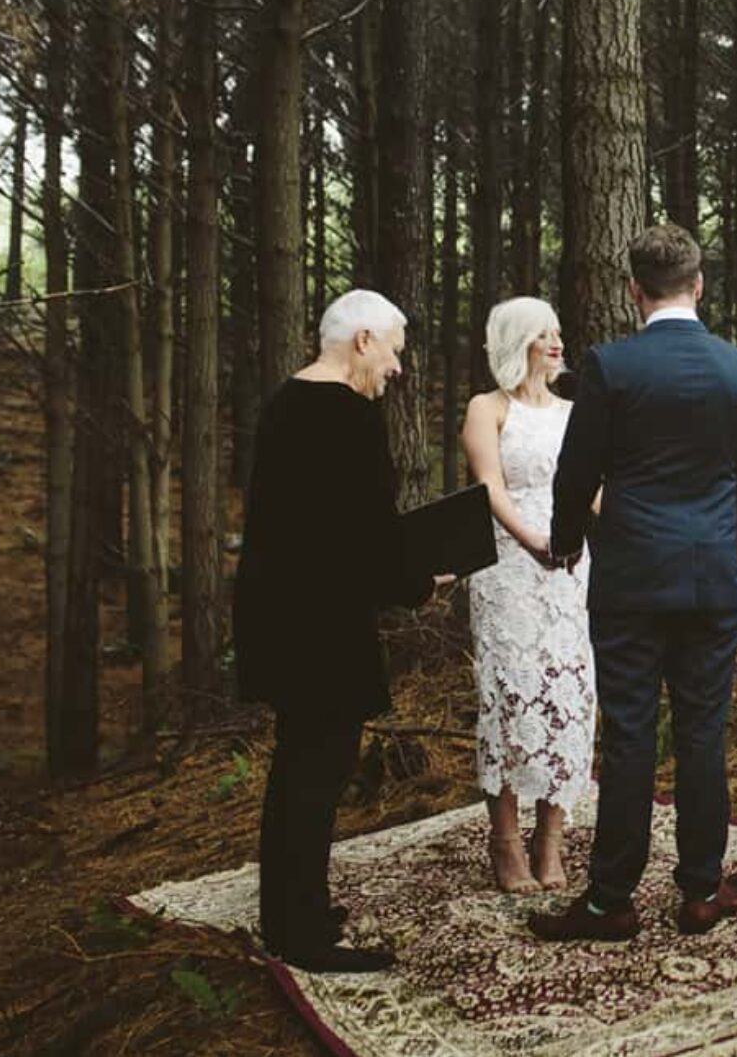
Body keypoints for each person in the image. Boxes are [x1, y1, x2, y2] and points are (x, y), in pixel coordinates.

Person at [529, 224, 737, 943]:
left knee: (630, 735)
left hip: (631, 578)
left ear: (635, 290)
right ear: (699, 286)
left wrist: (566, 542)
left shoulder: (612, 366)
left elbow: (578, 472)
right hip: (712, 577)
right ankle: (700, 889)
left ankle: (610, 901)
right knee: (702, 732)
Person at [233, 290, 452, 973]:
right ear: (362, 339)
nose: (396, 369)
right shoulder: (348, 416)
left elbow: (313, 525)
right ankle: (299, 933)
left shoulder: (283, 403)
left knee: (301, 762)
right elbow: (366, 531)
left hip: (281, 613)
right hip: (322, 623)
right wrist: (419, 582)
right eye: (392, 351)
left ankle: (293, 908)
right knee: (315, 770)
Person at [461, 297, 594, 893]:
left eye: (559, 332)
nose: (558, 342)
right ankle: (505, 841)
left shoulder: (575, 412)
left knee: (568, 693)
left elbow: (595, 492)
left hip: (570, 569)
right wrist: (534, 540)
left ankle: (551, 840)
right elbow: (489, 485)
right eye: (545, 333)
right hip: (510, 567)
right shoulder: (487, 409)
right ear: (520, 342)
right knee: (511, 699)